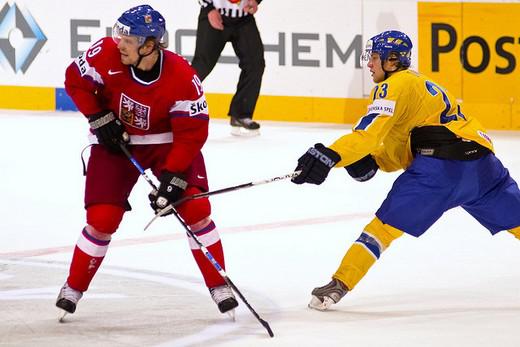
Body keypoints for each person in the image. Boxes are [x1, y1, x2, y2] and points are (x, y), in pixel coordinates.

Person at [291, 30, 520, 311]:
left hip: (440, 172)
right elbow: (403, 144)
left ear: (392, 60)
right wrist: (376, 161)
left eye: (374, 57)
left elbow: (368, 135)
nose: (370, 64)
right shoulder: (420, 84)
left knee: (380, 231)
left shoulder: (393, 85)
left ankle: (339, 285)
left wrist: (331, 155)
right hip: (483, 168)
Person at [56, 5, 238, 319]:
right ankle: (73, 287)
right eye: (119, 33)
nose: (120, 42)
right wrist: (98, 117)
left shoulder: (182, 77)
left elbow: (192, 133)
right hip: (115, 145)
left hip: (167, 144)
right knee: (102, 219)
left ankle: (218, 284)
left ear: (150, 45)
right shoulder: (105, 53)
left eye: (129, 38)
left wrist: (174, 175)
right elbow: (75, 80)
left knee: (196, 210)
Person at [191, 0, 265, 136]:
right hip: (214, 13)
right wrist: (208, 9)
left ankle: (240, 114)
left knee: (255, 64)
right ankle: (170, 108)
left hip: (244, 18)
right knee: (201, 66)